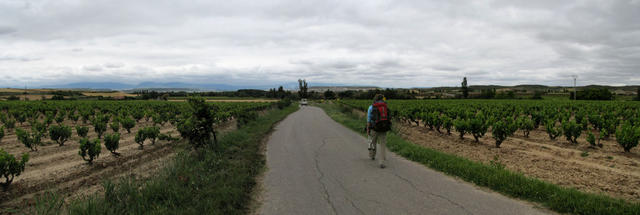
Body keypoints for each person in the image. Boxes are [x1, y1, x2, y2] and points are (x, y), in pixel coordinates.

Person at [367, 94, 392, 168]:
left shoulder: (371, 107)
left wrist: (368, 129)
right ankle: (382, 162)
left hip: (374, 128)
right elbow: (389, 117)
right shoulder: (385, 106)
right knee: (383, 145)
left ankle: (372, 155)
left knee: (373, 142)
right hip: (383, 127)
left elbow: (368, 120)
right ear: (383, 99)